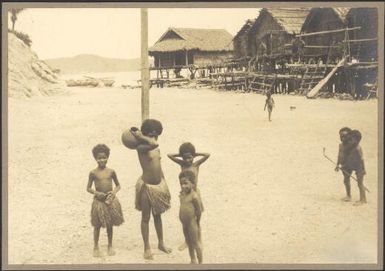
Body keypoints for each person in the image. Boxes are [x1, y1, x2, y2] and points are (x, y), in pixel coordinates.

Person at [130, 119, 172, 260]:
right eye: (151, 135)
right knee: (146, 217)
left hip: (158, 186)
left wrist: (164, 183)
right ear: (145, 134)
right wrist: (140, 136)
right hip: (146, 187)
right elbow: (153, 143)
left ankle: (161, 243)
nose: (154, 138)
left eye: (156, 135)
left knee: (158, 216)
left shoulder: (155, 147)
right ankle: (147, 247)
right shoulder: (141, 148)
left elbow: (159, 166)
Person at [167, 142, 209, 250]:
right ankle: (187, 241)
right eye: (185, 158)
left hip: (194, 195)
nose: (187, 160)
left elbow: (207, 155)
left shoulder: (196, 164)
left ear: (193, 157)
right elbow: (169, 155)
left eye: (190, 158)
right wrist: (181, 155)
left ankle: (199, 239)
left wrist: (195, 153)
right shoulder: (182, 164)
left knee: (197, 219)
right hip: (184, 196)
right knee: (185, 219)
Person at [87, 144, 124, 257]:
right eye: (99, 158)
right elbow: (88, 188)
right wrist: (96, 193)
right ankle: (96, 246)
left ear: (108, 157)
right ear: (95, 158)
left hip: (110, 201)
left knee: (109, 224)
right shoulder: (93, 173)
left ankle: (110, 245)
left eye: (104, 157)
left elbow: (118, 185)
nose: (102, 160)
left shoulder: (111, 172)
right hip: (98, 202)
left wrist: (113, 192)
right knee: (97, 225)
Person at [179, 170, 203, 264]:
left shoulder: (194, 196)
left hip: (192, 222)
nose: (183, 186)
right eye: (181, 184)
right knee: (188, 242)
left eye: (185, 183)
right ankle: (193, 259)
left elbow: (199, 210)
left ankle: (200, 262)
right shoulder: (182, 194)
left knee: (195, 242)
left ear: (193, 184)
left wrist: (197, 221)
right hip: (184, 223)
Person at [343, 129, 367, 205]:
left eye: (351, 139)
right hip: (356, 167)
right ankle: (361, 199)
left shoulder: (357, 148)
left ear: (357, 140)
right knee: (359, 183)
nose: (349, 140)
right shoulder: (352, 147)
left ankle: (363, 199)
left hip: (360, 168)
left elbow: (361, 159)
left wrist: (363, 169)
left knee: (360, 183)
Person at [335, 127, 353, 201]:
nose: (342, 138)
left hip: (348, 165)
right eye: (341, 136)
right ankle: (348, 195)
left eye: (344, 136)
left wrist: (345, 165)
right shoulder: (340, 145)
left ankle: (349, 196)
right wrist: (337, 164)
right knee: (345, 180)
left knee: (346, 179)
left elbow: (352, 157)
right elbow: (339, 155)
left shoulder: (351, 146)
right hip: (343, 165)